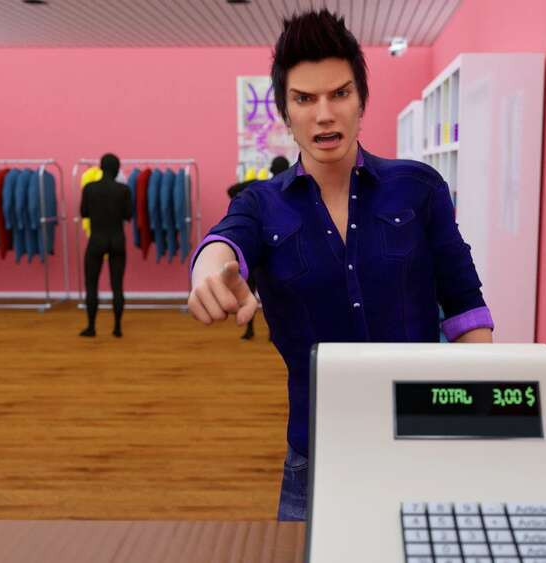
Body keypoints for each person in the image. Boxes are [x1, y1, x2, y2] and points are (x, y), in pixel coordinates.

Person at [188, 10, 493, 521]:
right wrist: (208, 272)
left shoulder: (418, 188)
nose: (324, 114)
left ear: (361, 100)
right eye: (305, 99)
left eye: (340, 94)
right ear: (285, 110)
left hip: (420, 444)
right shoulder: (261, 204)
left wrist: (477, 425)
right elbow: (225, 242)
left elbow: (465, 306)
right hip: (316, 456)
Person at [227, 156, 290, 340]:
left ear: (271, 169)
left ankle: (250, 330)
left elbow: (231, 190)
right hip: (280, 250)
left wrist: (244, 203)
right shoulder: (291, 189)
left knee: (249, 290)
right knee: (276, 295)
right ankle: (273, 332)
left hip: (257, 247)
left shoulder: (261, 187)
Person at [80, 153, 132, 338]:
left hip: (96, 239)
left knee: (91, 284)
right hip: (117, 239)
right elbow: (128, 215)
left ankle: (91, 326)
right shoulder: (124, 190)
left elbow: (84, 213)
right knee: (117, 285)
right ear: (117, 170)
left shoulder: (89, 188)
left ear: (101, 168)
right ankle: (117, 328)